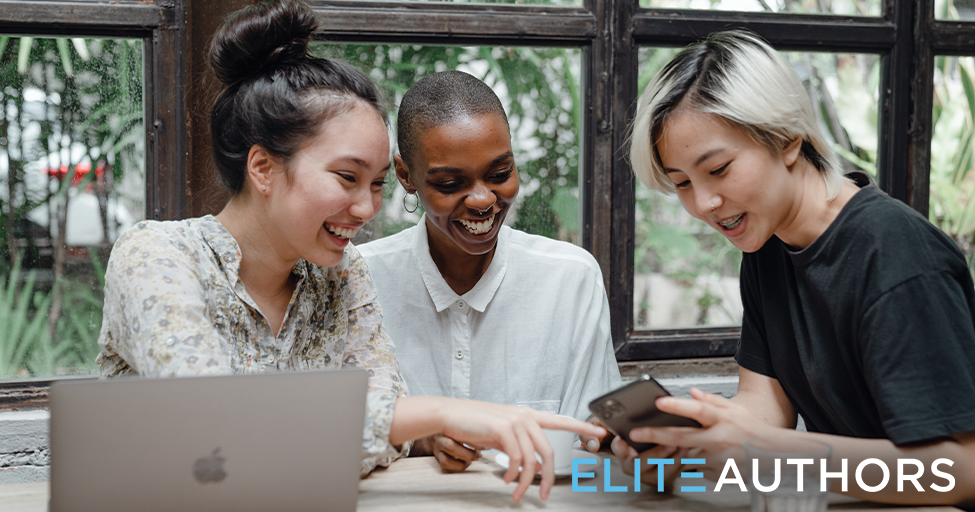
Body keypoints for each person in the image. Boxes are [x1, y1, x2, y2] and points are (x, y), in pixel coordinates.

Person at [94, 0, 603, 504]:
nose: (366, 209)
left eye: (377, 183)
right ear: (263, 168)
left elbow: (387, 434)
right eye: (347, 177)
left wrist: (394, 429)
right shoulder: (158, 256)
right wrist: (438, 416)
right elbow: (212, 428)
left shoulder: (339, 274)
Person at [596, 30, 975, 508]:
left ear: (787, 139)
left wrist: (766, 454)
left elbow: (961, 470)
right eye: (682, 183)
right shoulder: (767, 246)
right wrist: (681, 448)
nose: (705, 204)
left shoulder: (896, 252)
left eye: (718, 169)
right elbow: (765, 408)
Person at [357, 71, 622, 472]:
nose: (483, 200)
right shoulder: (361, 281)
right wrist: (424, 436)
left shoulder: (570, 279)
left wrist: (619, 441)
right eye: (449, 183)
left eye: (500, 175)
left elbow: (595, 436)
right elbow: (329, 430)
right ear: (406, 175)